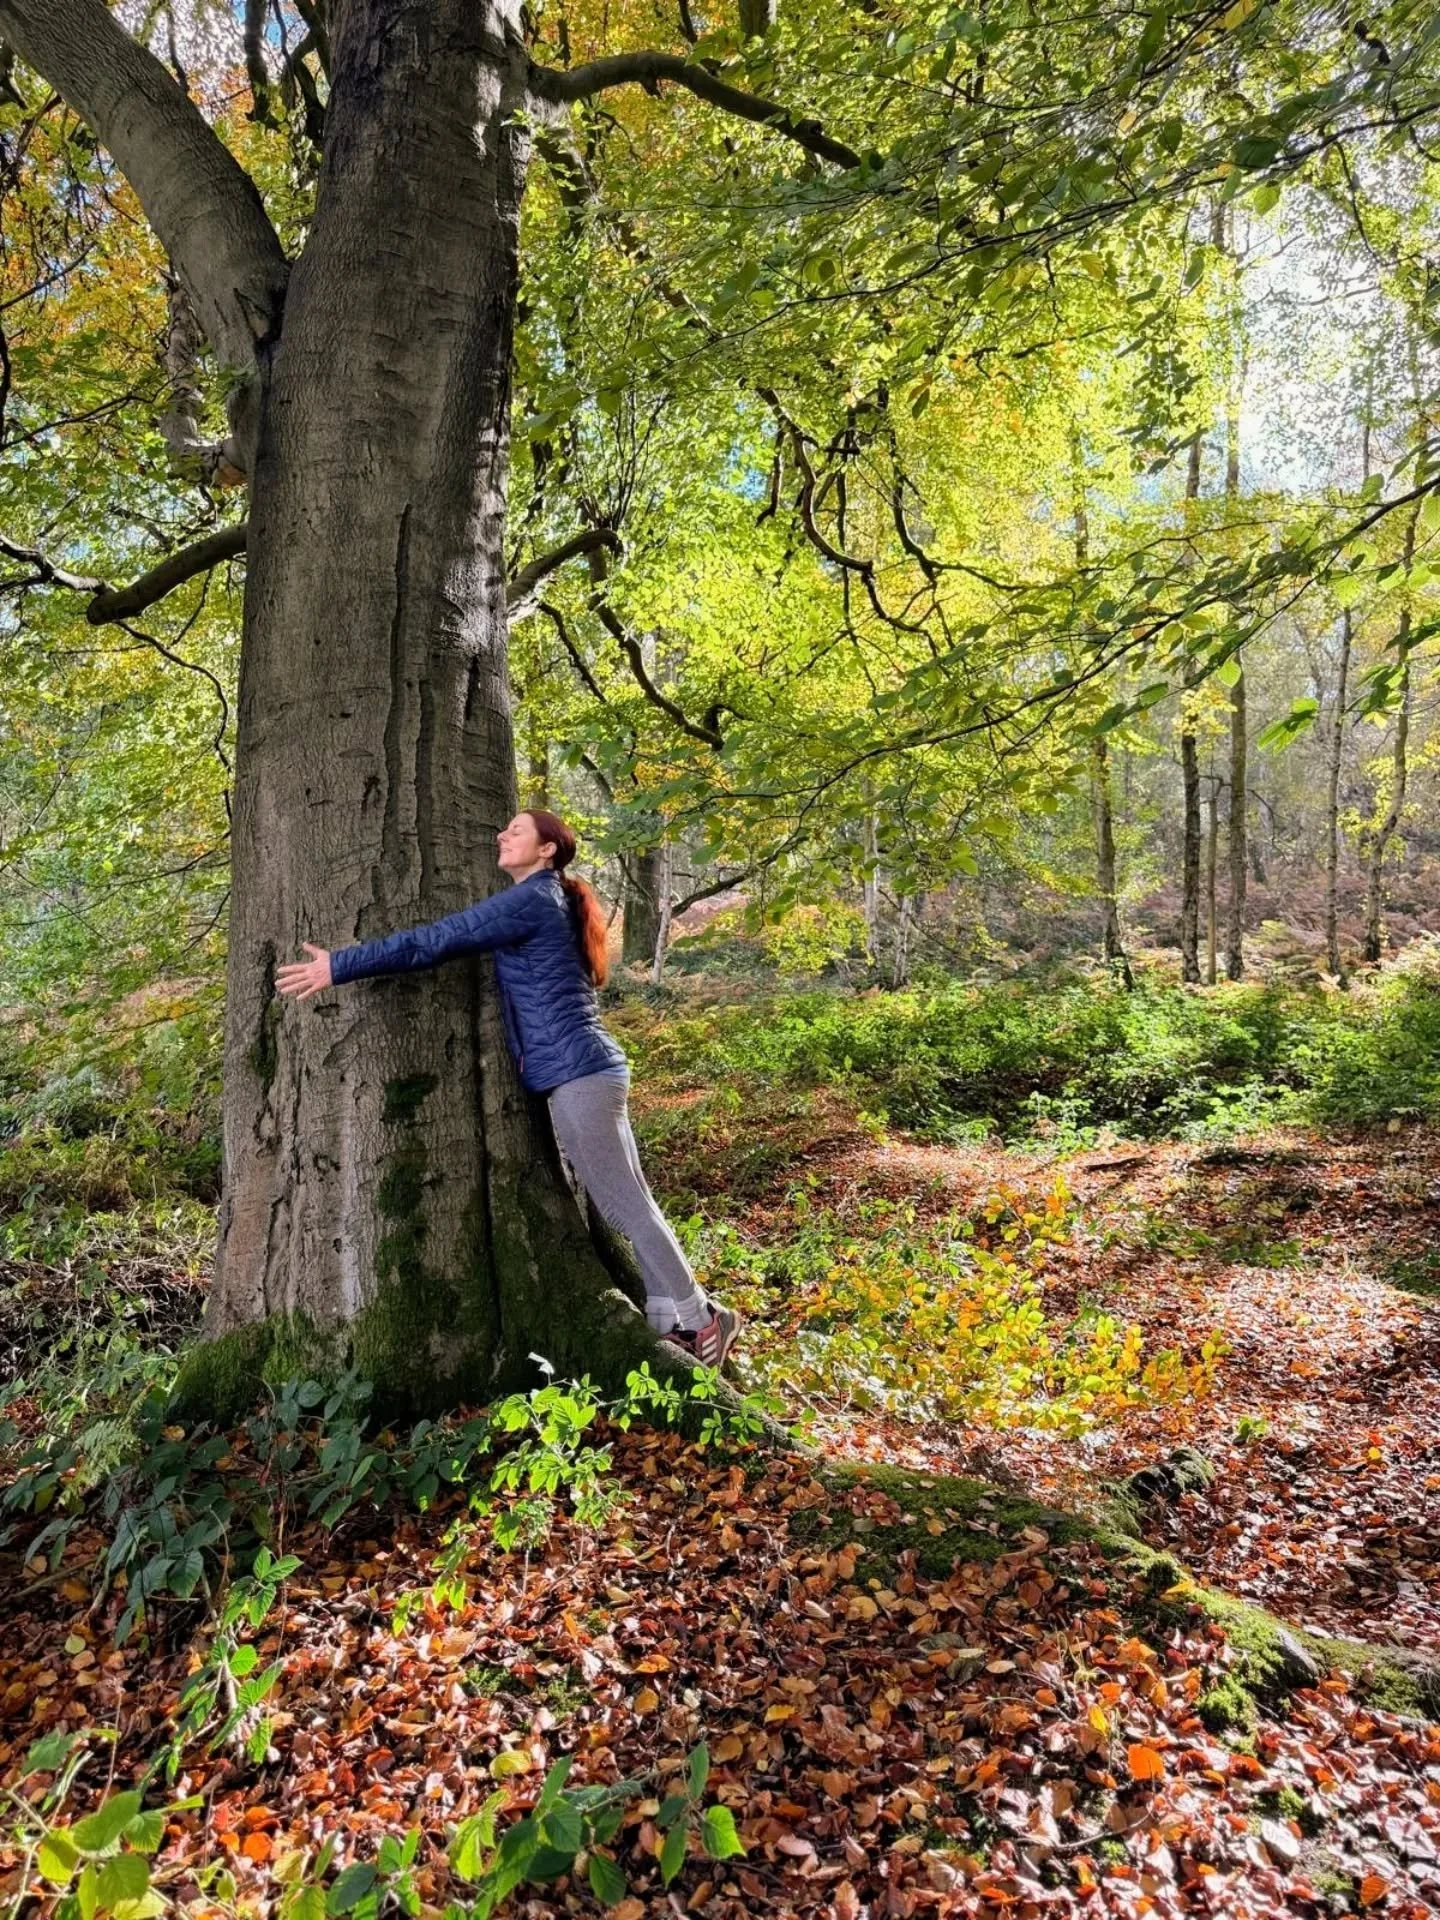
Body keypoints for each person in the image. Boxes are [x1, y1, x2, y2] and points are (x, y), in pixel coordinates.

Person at [274, 808, 741, 1367]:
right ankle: (672, 1321)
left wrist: (340, 966)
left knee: (622, 1205)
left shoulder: (532, 900)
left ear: (547, 850)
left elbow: (437, 939)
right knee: (632, 1200)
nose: (502, 834)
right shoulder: (548, 900)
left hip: (579, 1076)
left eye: (516, 830)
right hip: (589, 1068)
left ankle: (703, 1320)